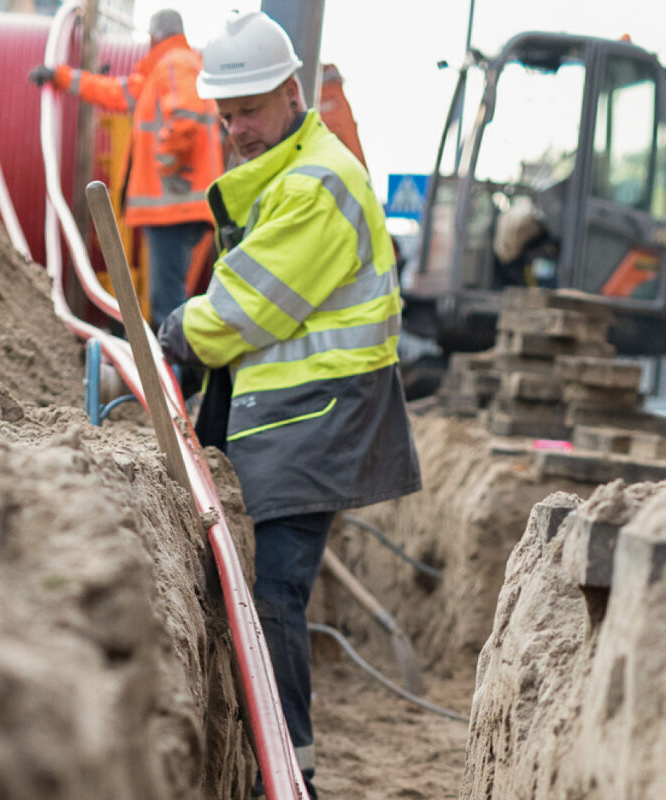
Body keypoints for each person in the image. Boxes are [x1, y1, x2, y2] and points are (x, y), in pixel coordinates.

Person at [157, 10, 421, 799]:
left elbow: (246, 309)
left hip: (317, 416)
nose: (236, 128)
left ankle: (287, 770)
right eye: (226, 113)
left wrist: (176, 330)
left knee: (273, 593)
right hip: (293, 414)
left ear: (292, 92)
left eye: (250, 109)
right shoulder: (287, 171)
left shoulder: (314, 183)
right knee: (260, 587)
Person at [29, 9, 223, 329]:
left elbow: (185, 116)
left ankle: (168, 377)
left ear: (153, 36)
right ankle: (171, 373)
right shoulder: (162, 71)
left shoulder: (174, 64)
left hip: (173, 208)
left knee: (168, 307)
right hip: (176, 209)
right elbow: (116, 92)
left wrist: (167, 164)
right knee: (170, 302)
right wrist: (62, 77)